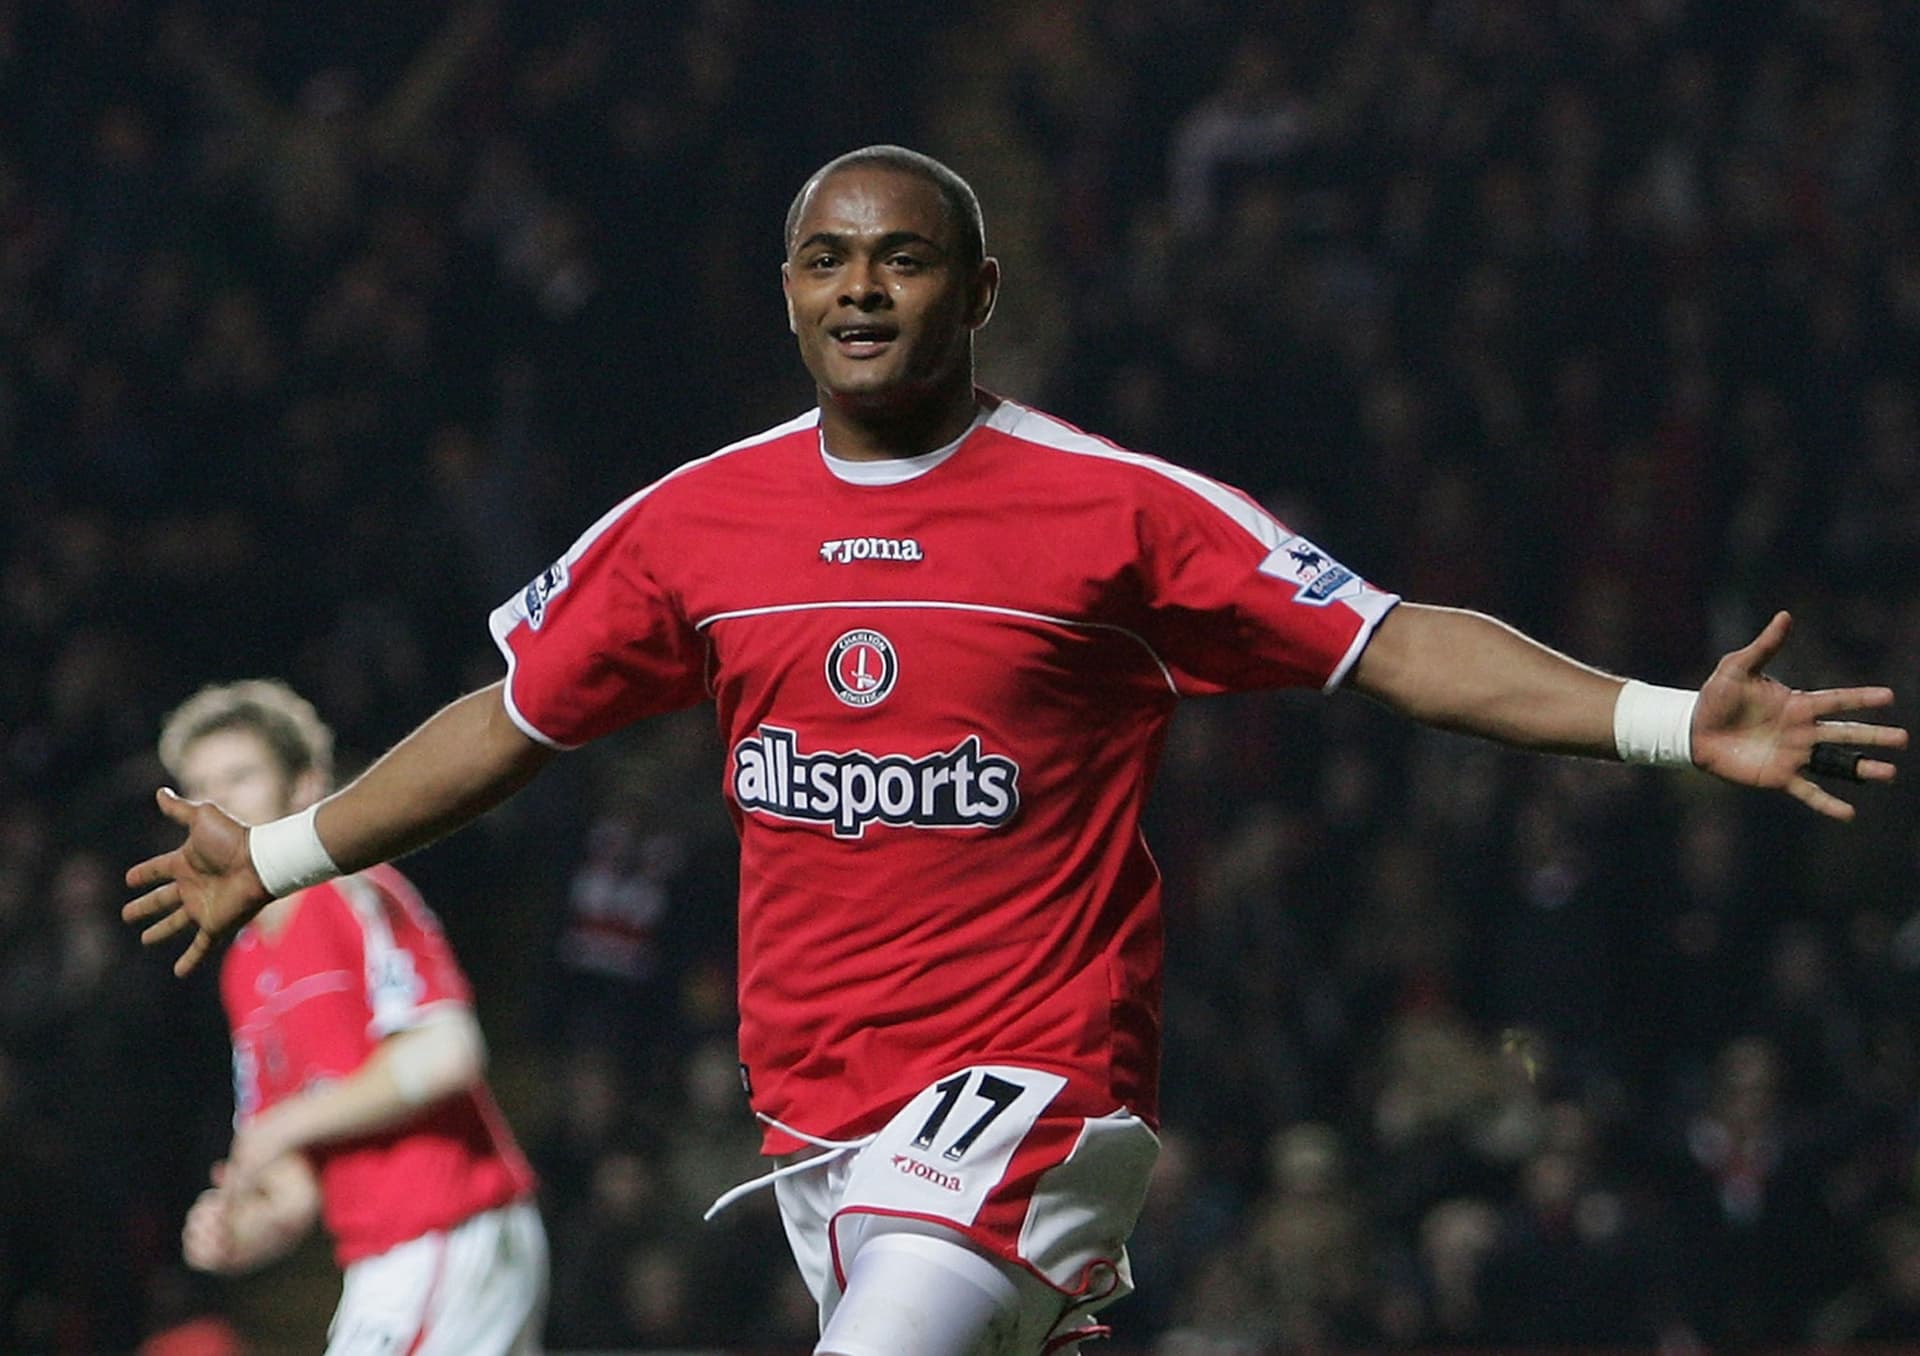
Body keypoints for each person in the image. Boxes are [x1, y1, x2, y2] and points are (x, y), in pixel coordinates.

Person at [126, 146, 1905, 1356]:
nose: (863, 289)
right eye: (828, 259)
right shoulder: (694, 524)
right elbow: (511, 724)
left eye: (904, 257)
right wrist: (277, 855)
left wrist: (1671, 719)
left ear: (978, 286)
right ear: (787, 293)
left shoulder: (1111, 509)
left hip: (1031, 1098)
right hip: (817, 1116)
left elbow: (1385, 643)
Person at [155, 680, 548, 1355]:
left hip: (449, 1227)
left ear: (305, 787)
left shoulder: (353, 894)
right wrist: (243, 1233)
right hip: (384, 1256)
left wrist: (283, 1127)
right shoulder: (243, 967)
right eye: (197, 789)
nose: (214, 804)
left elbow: (446, 1050)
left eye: (240, 776)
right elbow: (296, 1185)